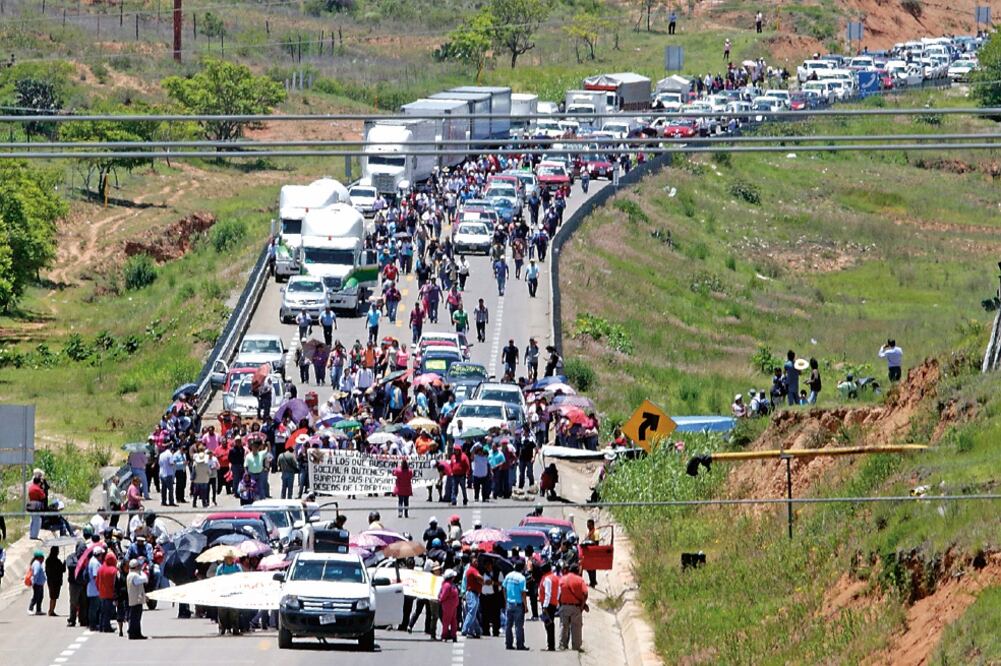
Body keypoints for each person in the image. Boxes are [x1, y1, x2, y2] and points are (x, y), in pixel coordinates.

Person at [558, 563, 589, 651]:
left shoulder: (562, 579)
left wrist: (560, 604)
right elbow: (585, 593)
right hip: (576, 607)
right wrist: (582, 605)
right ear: (577, 570)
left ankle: (562, 645)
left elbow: (558, 593)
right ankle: (576, 646)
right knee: (576, 627)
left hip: (564, 605)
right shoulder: (580, 580)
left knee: (563, 625)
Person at [503, 560, 529, 650]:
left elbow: (504, 588)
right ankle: (520, 645)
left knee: (508, 625)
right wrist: (525, 606)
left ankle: (508, 644)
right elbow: (523, 593)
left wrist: (506, 599)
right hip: (518, 605)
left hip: (509, 603)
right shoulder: (521, 578)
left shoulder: (508, 576)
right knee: (519, 626)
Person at [538, 561, 559, 651]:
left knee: (548, 625)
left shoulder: (547, 579)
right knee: (550, 624)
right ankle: (551, 645)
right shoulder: (554, 577)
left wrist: (545, 607)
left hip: (548, 605)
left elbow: (548, 594)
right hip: (553, 603)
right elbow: (558, 591)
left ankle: (551, 645)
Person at [126, 559, 148, 639]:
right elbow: (145, 579)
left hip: (134, 600)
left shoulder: (130, 575)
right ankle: (134, 634)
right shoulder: (134, 576)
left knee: (135, 618)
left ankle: (136, 633)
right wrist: (142, 571)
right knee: (135, 619)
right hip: (136, 600)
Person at [461, 555, 483, 638]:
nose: (476, 563)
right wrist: (482, 581)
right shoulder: (472, 570)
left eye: (477, 561)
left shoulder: (473, 569)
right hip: (471, 593)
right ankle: (465, 629)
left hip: (475, 593)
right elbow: (480, 577)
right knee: (471, 611)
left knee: (472, 613)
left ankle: (477, 631)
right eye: (474, 561)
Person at [438, 570, 460, 642]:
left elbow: (443, 595)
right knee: (453, 621)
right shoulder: (451, 585)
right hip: (453, 605)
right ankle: (453, 635)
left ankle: (444, 636)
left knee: (446, 621)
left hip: (448, 605)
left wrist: (440, 599)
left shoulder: (447, 585)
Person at [44, 546, 65, 616]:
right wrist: (64, 564)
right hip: (56, 581)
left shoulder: (48, 560)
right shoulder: (57, 561)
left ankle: (51, 610)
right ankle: (51, 610)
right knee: (54, 597)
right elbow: (63, 570)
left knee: (52, 596)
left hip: (50, 581)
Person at [28, 549, 46, 615]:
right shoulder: (36, 564)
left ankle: (38, 610)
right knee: (36, 597)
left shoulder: (38, 563)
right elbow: (36, 574)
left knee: (40, 597)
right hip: (37, 584)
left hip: (40, 583)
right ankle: (30, 608)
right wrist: (34, 582)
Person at [583, 519, 600, 587]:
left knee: (592, 568)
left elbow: (596, 543)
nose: (588, 527)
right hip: (588, 552)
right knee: (588, 568)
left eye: (589, 526)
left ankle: (593, 582)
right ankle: (593, 581)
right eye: (587, 525)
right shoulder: (588, 532)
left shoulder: (596, 532)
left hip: (593, 552)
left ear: (593, 525)